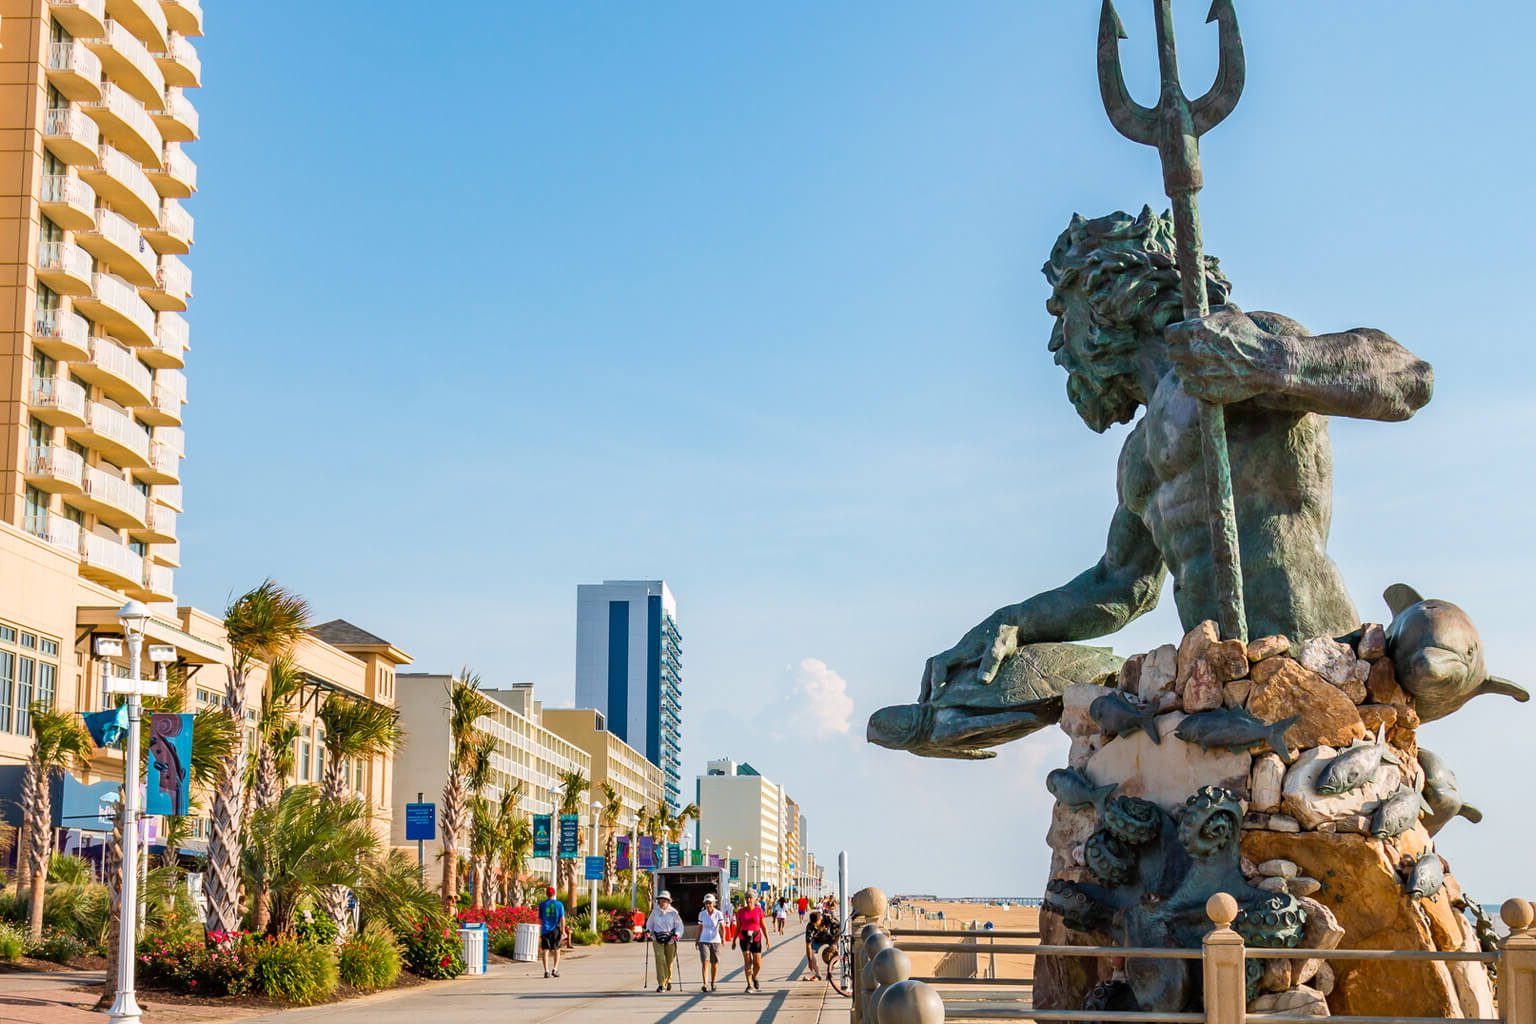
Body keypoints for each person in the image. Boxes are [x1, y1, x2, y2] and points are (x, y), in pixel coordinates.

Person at [646, 890, 684, 992]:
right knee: (660, 959)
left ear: (668, 901)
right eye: (661, 900)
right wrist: (648, 931)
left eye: (664, 900)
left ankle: (669, 980)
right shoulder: (655, 911)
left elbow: (679, 926)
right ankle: (661, 983)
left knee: (669, 961)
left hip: (670, 939)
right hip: (657, 938)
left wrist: (677, 935)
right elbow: (649, 924)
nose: (662, 902)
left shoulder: (673, 912)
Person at [732, 892, 769, 992]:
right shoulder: (740, 912)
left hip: (756, 937)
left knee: (758, 964)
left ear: (755, 899)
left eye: (750, 897)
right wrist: (734, 940)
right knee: (747, 961)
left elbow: (763, 926)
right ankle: (749, 985)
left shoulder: (759, 911)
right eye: (747, 897)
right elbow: (738, 927)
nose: (748, 899)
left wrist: (767, 939)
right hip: (744, 937)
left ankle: (754, 976)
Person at [696, 893, 727, 993]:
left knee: (714, 963)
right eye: (706, 903)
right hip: (704, 940)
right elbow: (700, 927)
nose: (708, 905)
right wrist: (697, 939)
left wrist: (723, 937)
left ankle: (713, 982)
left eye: (710, 903)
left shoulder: (718, 913)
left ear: (714, 903)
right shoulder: (702, 914)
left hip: (715, 940)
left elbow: (722, 926)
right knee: (705, 962)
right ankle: (705, 983)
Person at [537, 886, 566, 979]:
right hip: (555, 930)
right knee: (557, 949)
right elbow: (562, 919)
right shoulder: (559, 904)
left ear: (546, 894)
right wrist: (563, 930)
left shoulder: (542, 905)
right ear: (554, 894)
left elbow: (540, 919)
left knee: (545, 950)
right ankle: (555, 969)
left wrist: (540, 931)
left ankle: (546, 971)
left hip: (545, 930)